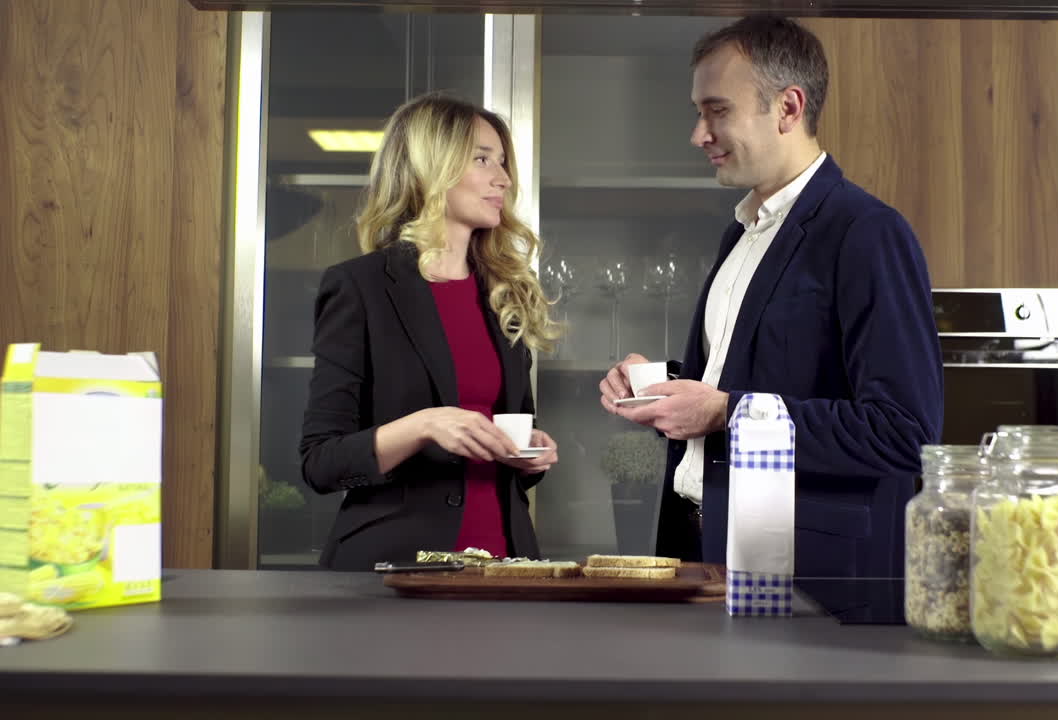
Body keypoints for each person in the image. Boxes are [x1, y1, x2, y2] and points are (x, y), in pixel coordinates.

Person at [598, 16, 943, 580]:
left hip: (806, 576)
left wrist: (724, 412)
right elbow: (764, 379)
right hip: (702, 551)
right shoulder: (741, 232)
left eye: (718, 111)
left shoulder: (866, 232)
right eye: (698, 113)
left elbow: (903, 432)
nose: (699, 134)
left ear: (788, 107)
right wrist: (662, 384)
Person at [300, 93, 561, 571]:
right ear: (430, 169)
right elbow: (321, 462)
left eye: (502, 162)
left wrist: (527, 456)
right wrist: (424, 426)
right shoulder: (361, 286)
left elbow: (503, 454)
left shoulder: (507, 292)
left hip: (507, 564)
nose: (502, 178)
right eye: (482, 160)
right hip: (397, 571)